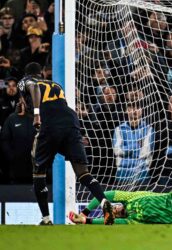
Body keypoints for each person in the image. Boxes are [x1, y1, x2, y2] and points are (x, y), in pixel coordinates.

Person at [17, 62, 115, 225]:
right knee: (82, 172)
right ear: (42, 73)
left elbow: (33, 88)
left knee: (38, 170)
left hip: (50, 124)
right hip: (71, 122)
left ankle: (46, 219)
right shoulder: (56, 84)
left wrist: (36, 114)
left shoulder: (26, 81)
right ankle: (105, 204)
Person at [0, 97, 36, 184]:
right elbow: (4, 139)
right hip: (16, 165)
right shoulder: (11, 119)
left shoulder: (36, 119)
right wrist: (11, 156)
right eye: (22, 102)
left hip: (33, 165)